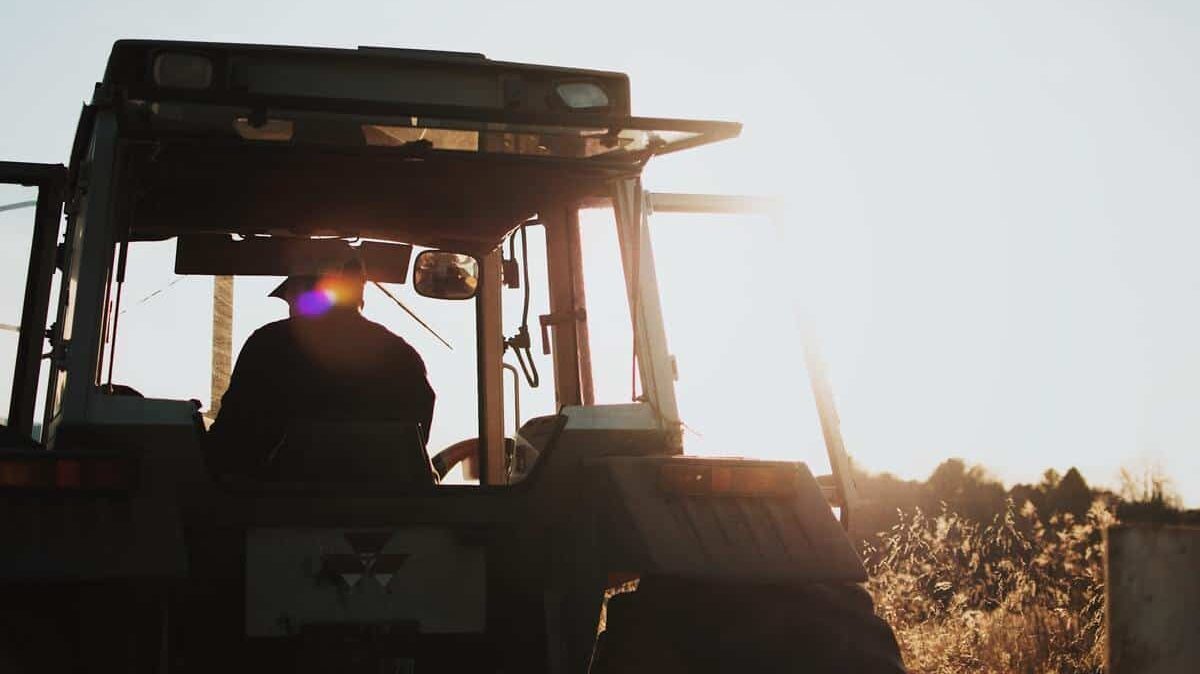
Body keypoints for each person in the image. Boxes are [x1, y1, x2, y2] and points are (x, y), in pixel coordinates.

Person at [204, 258, 435, 478]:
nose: (290, 307)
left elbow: (230, 445)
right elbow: (413, 447)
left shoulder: (269, 345)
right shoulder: (402, 356)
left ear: (307, 291)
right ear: (359, 293)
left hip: (273, 510)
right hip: (391, 512)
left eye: (290, 296)